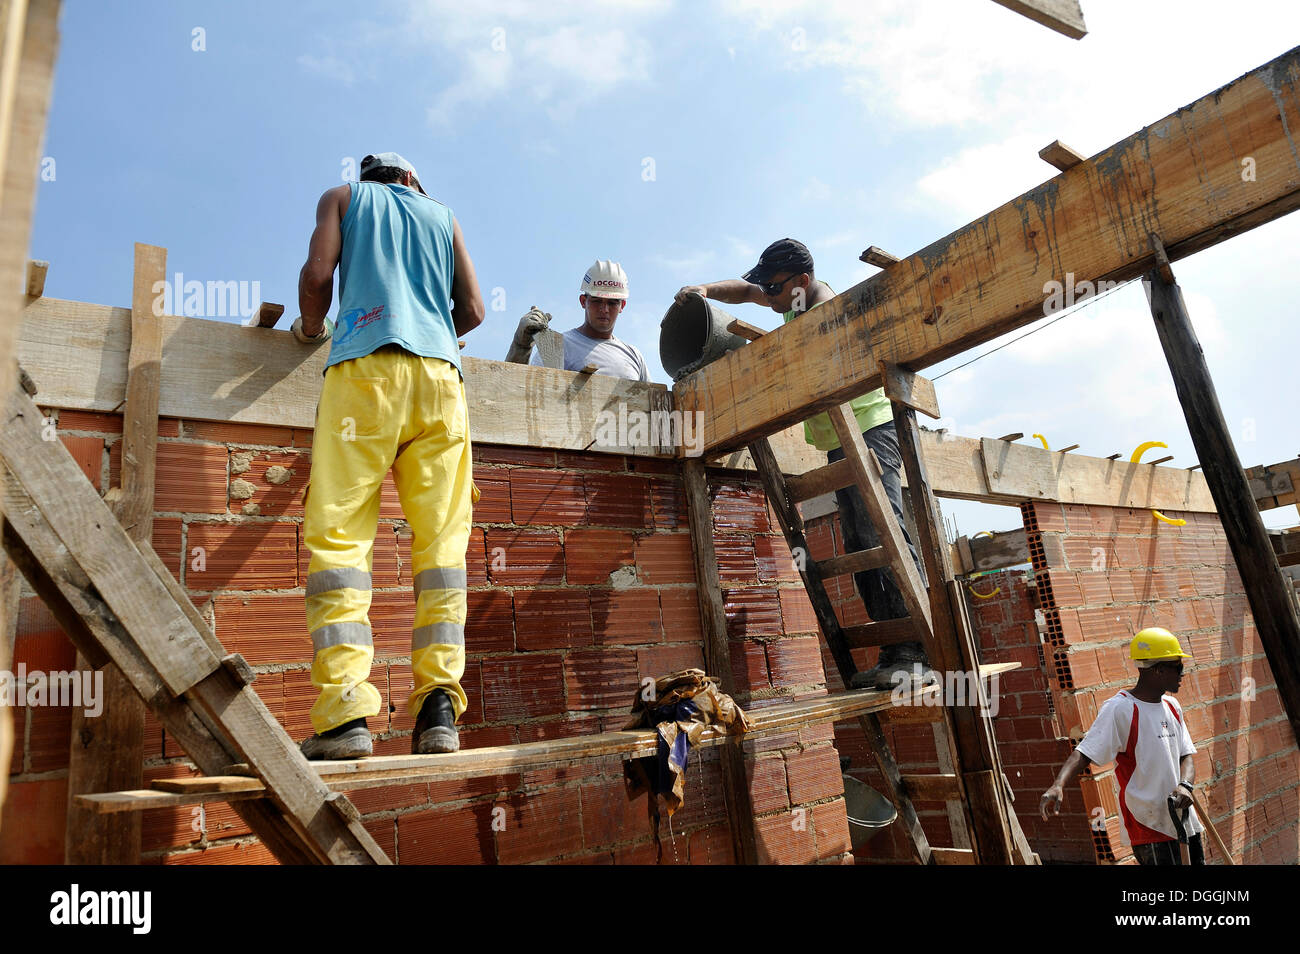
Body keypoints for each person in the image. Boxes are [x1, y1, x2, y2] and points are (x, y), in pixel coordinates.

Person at [292, 151, 485, 759]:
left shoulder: (343, 198)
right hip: (441, 384)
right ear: (411, 182)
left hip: (364, 372)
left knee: (341, 540)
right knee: (442, 549)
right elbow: (474, 311)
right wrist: (430, 330)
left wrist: (311, 324)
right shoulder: (442, 214)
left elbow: (319, 277)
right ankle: (437, 711)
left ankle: (346, 715)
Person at [676, 238, 928, 689]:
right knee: (859, 541)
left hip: (870, 428)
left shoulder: (824, 306)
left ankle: (917, 649)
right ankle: (896, 649)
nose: (766, 298)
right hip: (843, 437)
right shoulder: (791, 303)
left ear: (801, 281)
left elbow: (821, 353)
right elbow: (746, 290)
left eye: (773, 289)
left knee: (880, 530)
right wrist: (706, 291)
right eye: (768, 289)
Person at [1039, 628, 1204, 865]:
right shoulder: (1121, 709)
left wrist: (1185, 785)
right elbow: (1085, 752)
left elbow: (1186, 754)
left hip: (1184, 819)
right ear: (1157, 669)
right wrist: (1058, 784)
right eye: (1177, 667)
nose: (1182, 674)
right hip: (1149, 825)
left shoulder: (1172, 706)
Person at [505, 259, 650, 382]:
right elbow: (522, 394)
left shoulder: (634, 356)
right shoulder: (556, 347)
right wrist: (521, 347)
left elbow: (655, 408)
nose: (604, 309)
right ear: (583, 301)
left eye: (612, 303)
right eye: (597, 301)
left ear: (622, 306)